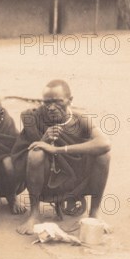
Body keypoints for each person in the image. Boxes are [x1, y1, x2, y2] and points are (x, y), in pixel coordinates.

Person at [16, 80, 111, 235]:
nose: (51, 107)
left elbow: (105, 143)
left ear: (70, 100)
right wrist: (44, 140)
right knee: (36, 153)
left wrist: (58, 150)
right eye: (47, 103)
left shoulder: (80, 120)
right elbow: (20, 155)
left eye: (57, 102)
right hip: (46, 181)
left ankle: (94, 214)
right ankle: (34, 214)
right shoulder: (33, 118)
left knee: (104, 156)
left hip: (76, 179)